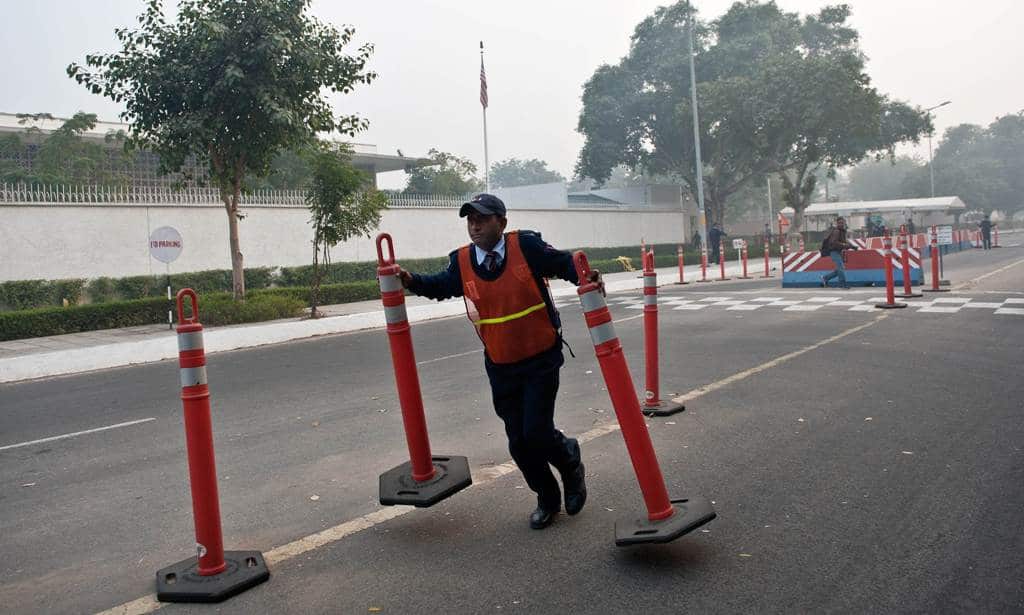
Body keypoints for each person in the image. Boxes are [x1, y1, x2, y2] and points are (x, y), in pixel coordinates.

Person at [398, 194, 603, 530]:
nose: (474, 225)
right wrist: (411, 281)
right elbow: (440, 286)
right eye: (470, 220)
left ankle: (569, 461)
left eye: (482, 218)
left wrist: (587, 278)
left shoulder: (527, 247)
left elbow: (564, 265)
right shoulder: (462, 261)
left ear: (501, 223)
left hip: (540, 359)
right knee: (519, 443)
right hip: (501, 365)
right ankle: (547, 497)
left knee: (536, 431)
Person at [820, 216, 858, 289]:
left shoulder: (842, 231)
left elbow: (845, 240)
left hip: (838, 251)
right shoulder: (836, 231)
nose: (841, 224)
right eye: (840, 223)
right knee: (840, 268)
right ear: (837, 223)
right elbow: (834, 242)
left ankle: (825, 278)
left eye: (843, 223)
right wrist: (845, 245)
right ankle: (842, 284)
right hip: (833, 251)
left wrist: (853, 246)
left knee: (840, 268)